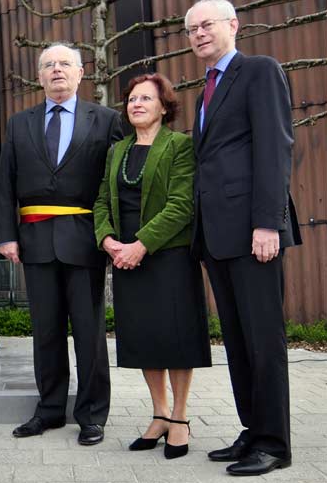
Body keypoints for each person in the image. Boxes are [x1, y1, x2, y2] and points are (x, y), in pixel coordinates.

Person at [185, 0, 301, 476]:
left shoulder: (260, 71)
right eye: (190, 30)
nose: (197, 34)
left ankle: (274, 444)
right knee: (235, 340)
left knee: (262, 340)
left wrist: (267, 222)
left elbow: (275, 148)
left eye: (206, 24)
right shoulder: (204, 92)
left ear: (233, 24)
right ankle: (252, 431)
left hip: (254, 232)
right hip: (218, 237)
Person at [0, 42, 123, 444]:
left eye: (64, 64)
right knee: (45, 331)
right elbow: (4, 185)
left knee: (88, 332)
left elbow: (118, 182)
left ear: (80, 73)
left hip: (85, 239)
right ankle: (50, 410)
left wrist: (116, 236)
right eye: (48, 65)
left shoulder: (106, 120)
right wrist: (5, 236)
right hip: (35, 241)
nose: (56, 70)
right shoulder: (19, 124)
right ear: (39, 76)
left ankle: (92, 415)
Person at [93, 73, 211, 459]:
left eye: (146, 98)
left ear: (164, 106)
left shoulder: (179, 146)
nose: (137, 104)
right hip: (125, 258)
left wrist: (141, 245)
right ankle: (159, 414)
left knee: (175, 339)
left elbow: (181, 205)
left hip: (168, 257)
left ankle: (180, 418)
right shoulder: (118, 150)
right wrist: (108, 240)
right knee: (144, 341)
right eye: (131, 99)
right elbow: (101, 202)